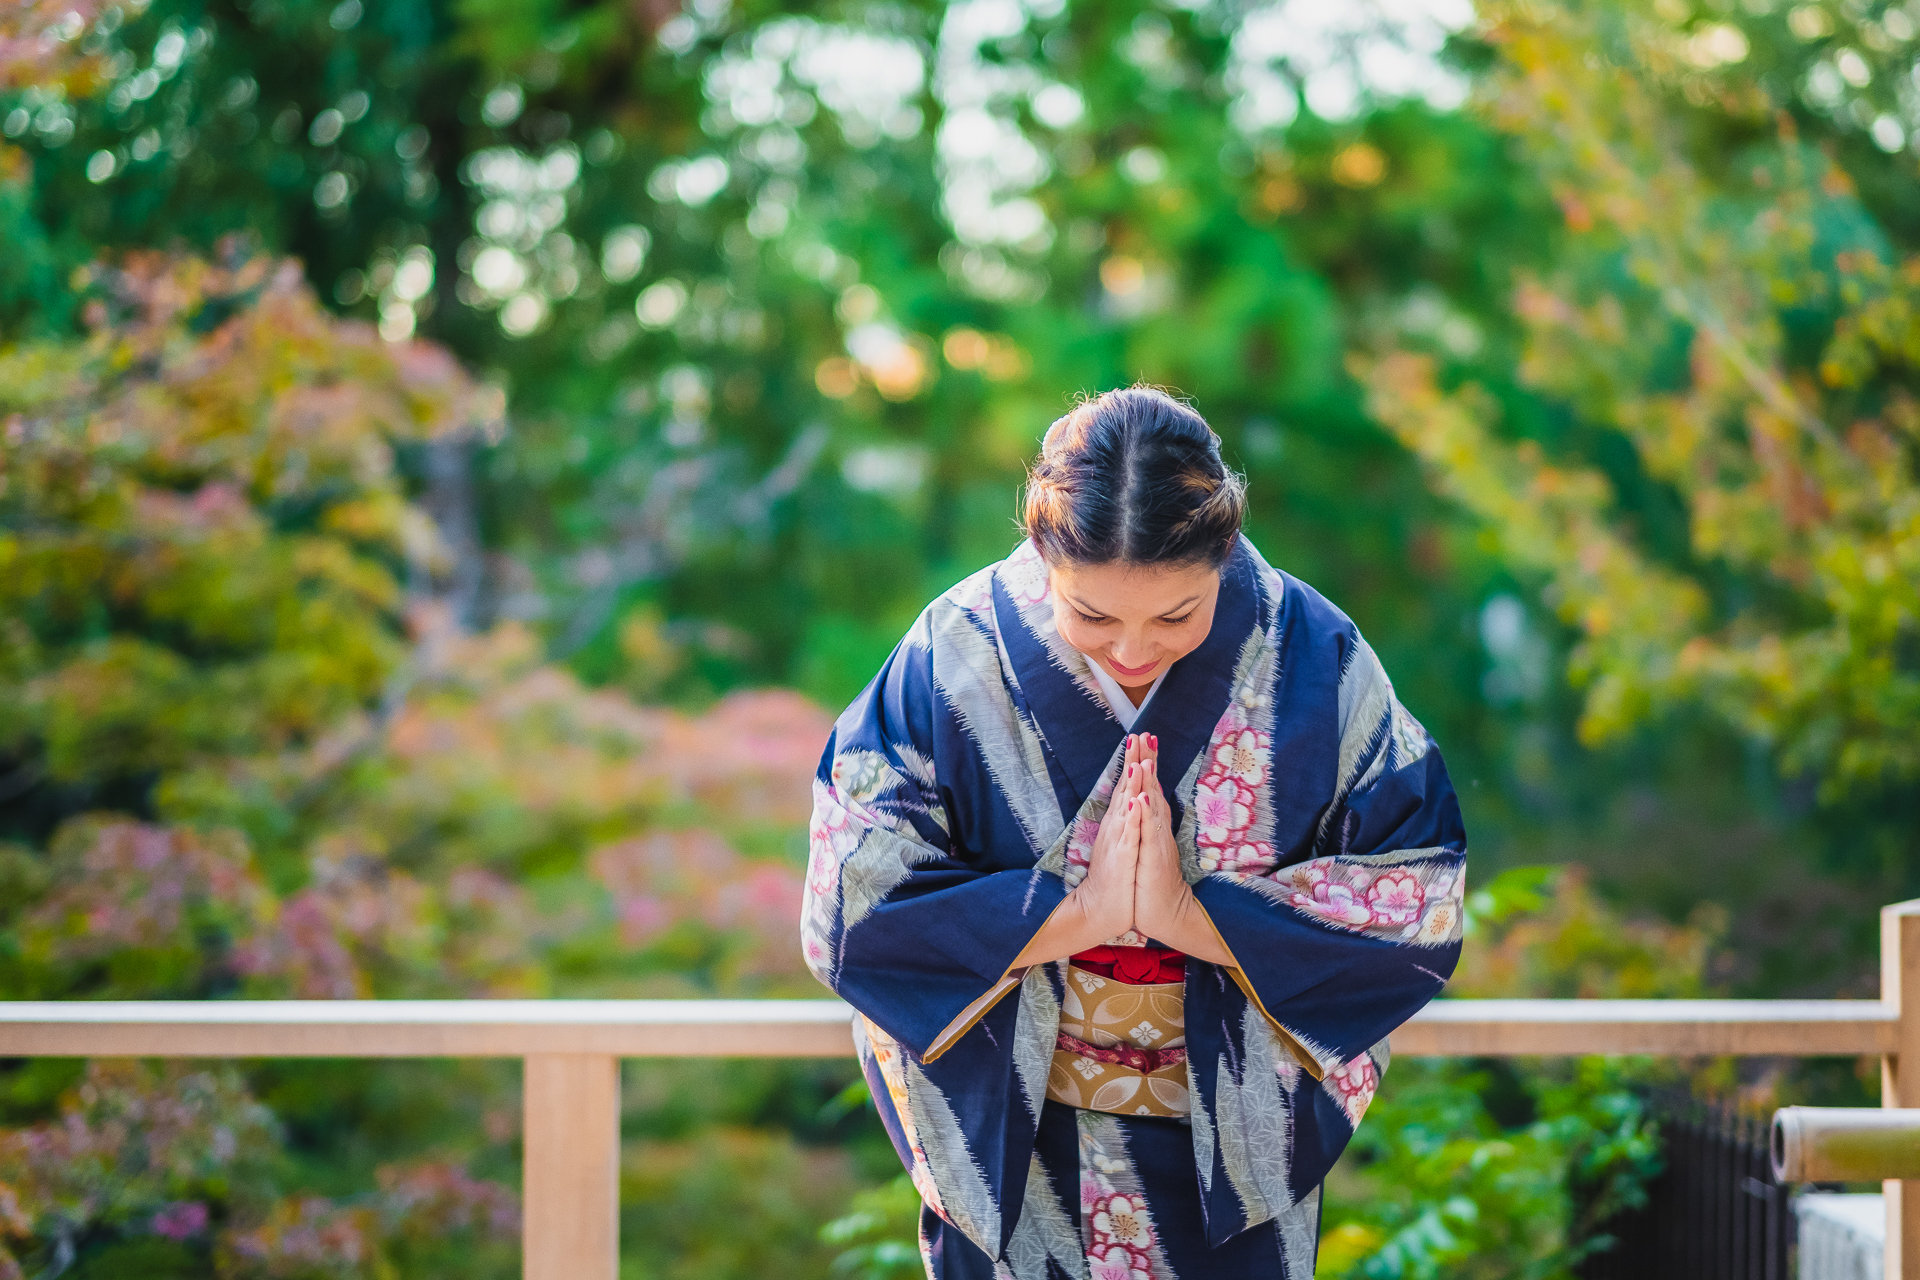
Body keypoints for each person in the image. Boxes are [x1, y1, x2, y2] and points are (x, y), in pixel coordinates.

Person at [801, 386, 1466, 1280]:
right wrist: (1077, 914)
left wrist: (1191, 918)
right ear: (1043, 553)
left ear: (1223, 552)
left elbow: (1420, 893)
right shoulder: (950, 655)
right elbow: (848, 900)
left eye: (1177, 616)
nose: (1133, 652)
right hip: (1020, 1144)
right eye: (1095, 617)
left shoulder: (1317, 654)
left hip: (1228, 1146)